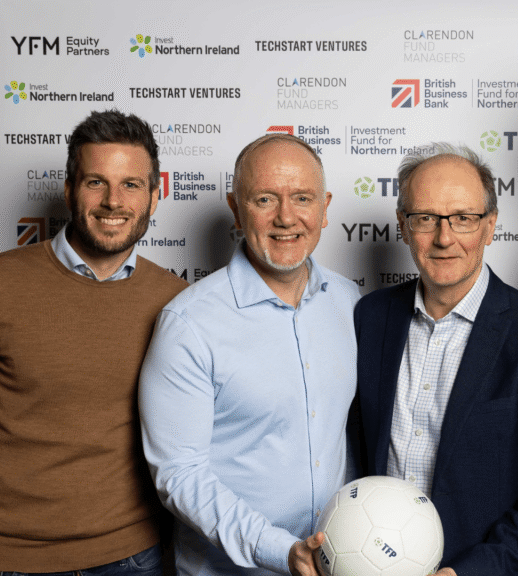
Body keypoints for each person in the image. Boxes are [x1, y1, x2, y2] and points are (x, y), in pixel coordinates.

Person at [0, 109, 188, 576]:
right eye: (95, 182)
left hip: (133, 559)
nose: (113, 201)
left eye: (130, 184)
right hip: (11, 562)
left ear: (154, 196)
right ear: (69, 190)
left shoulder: (176, 302)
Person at [352, 143, 518, 576]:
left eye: (463, 218)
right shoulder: (370, 318)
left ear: (490, 226)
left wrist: (468, 572)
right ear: (403, 226)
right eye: (425, 218)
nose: (444, 238)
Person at [138, 134, 360, 576]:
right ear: (236, 209)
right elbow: (180, 474)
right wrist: (280, 550)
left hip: (341, 563)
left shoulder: (350, 302)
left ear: (325, 207)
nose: (286, 217)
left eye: (302, 198)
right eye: (264, 199)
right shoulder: (188, 325)